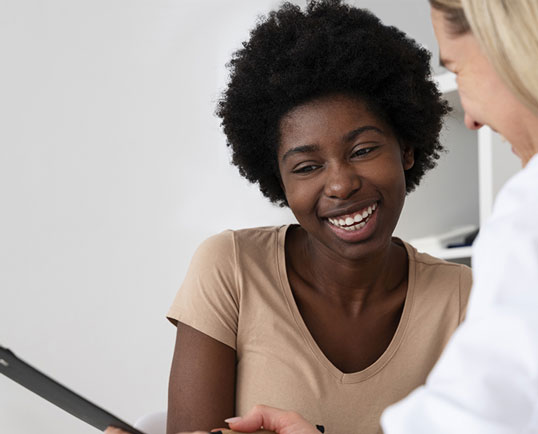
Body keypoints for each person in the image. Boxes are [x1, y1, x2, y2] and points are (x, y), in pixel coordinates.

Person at [106, 1, 472, 433]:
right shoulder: (232, 269)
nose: (340, 185)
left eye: (363, 151)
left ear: (406, 149)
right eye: (307, 167)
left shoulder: (465, 300)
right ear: (280, 182)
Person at [218, 0, 538, 433]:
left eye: (458, 69)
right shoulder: (232, 266)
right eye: (307, 166)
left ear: (509, 50)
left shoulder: (517, 227)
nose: (470, 116)